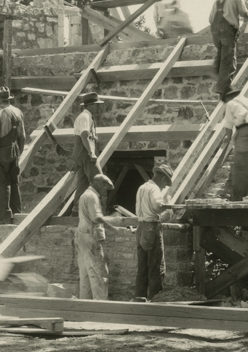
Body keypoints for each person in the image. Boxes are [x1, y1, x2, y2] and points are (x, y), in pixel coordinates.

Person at [76, 173, 124, 301]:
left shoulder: (85, 195)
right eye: (104, 188)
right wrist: (112, 220)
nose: (104, 192)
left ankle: (84, 306)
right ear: (100, 183)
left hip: (82, 236)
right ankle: (102, 306)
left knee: (86, 275)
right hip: (90, 238)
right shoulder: (92, 197)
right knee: (100, 275)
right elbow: (96, 218)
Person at [134, 163, 177, 302]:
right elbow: (157, 207)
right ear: (163, 178)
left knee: (142, 267)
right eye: (166, 184)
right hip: (151, 228)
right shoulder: (154, 189)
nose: (164, 187)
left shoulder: (142, 187)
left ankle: (139, 297)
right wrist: (169, 206)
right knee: (156, 266)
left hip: (141, 227)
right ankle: (155, 300)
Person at [0, 86, 26, 223]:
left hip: (1, 153)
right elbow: (23, 136)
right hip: (14, 152)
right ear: (9, 99)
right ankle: (17, 213)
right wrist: (18, 152)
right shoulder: (18, 112)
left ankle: (4, 217)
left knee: (1, 184)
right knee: (14, 182)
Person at [209, 0, 248, 96]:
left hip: (216, 33)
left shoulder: (218, 0)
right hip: (227, 31)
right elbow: (245, 14)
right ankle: (224, 88)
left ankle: (217, 76)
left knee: (221, 56)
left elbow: (210, 19)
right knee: (229, 61)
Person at [72, 92, 105, 211]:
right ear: (90, 105)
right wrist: (91, 152)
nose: (98, 107)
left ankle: (76, 211)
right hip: (85, 153)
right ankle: (100, 212)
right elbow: (84, 134)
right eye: (96, 105)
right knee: (100, 180)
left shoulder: (84, 116)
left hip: (80, 153)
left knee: (83, 184)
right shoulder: (85, 116)